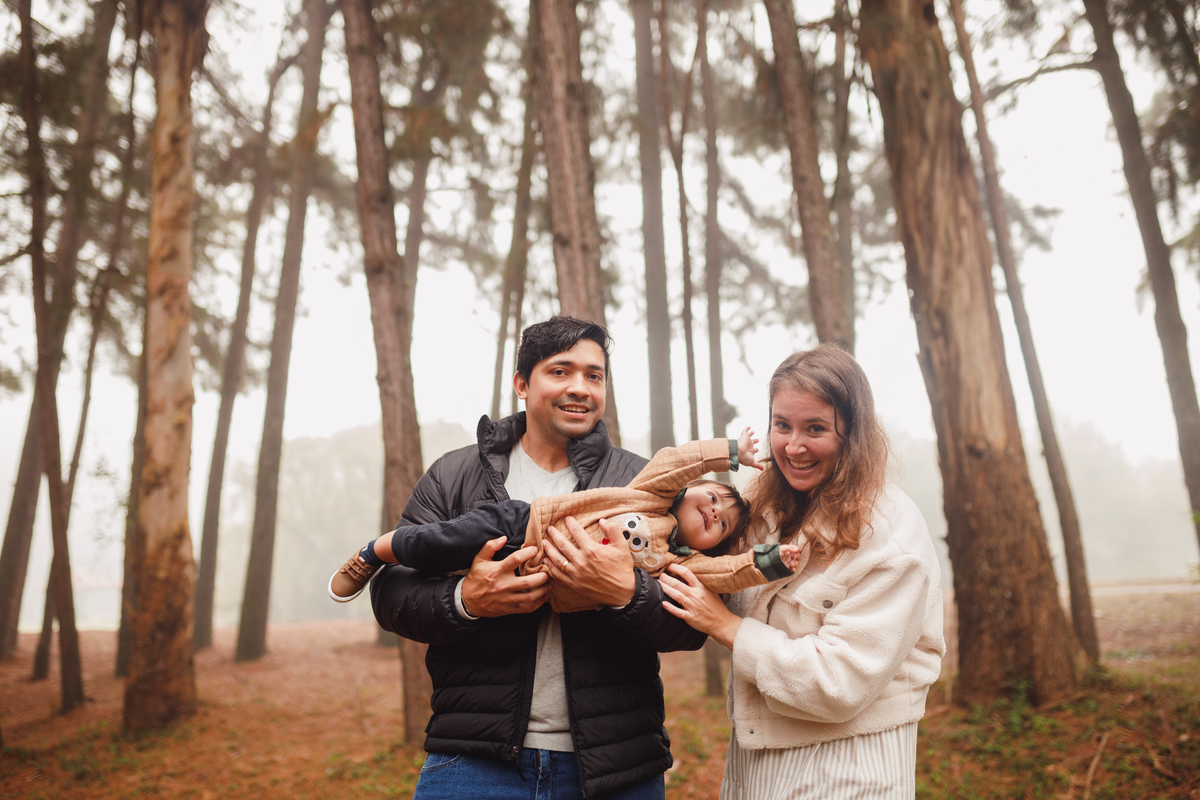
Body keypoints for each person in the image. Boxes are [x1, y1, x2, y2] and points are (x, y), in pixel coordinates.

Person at [368, 316, 709, 800]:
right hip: (474, 763)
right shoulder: (455, 474)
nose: (581, 388)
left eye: (594, 375)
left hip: (616, 769)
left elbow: (694, 622)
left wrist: (626, 594)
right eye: (561, 371)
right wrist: (467, 599)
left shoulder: (641, 482)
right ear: (522, 384)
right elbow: (391, 593)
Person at [658, 345, 946, 800]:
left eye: (815, 428)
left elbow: (839, 683)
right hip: (757, 765)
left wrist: (725, 626)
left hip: (850, 770)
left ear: (853, 434)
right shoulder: (767, 506)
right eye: (782, 425)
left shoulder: (891, 540)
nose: (793, 447)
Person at [330, 429, 804, 611]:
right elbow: (676, 460)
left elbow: (723, 575)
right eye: (713, 498)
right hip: (525, 526)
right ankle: (377, 550)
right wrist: (728, 454)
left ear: (709, 543)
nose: (715, 510)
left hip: (541, 582)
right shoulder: (648, 490)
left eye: (721, 523)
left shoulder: (675, 566)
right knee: (447, 541)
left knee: (486, 587)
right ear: (687, 490)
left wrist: (769, 561)